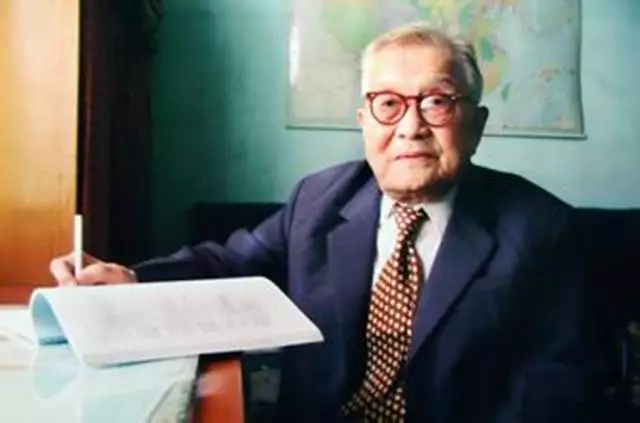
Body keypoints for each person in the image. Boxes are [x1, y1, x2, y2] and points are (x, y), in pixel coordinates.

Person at [50, 23, 607, 422]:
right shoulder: (319, 199)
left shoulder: (543, 229)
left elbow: (559, 385)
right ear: (364, 121)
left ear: (476, 125)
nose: (410, 127)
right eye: (388, 104)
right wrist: (133, 279)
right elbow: (230, 262)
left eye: (437, 102)